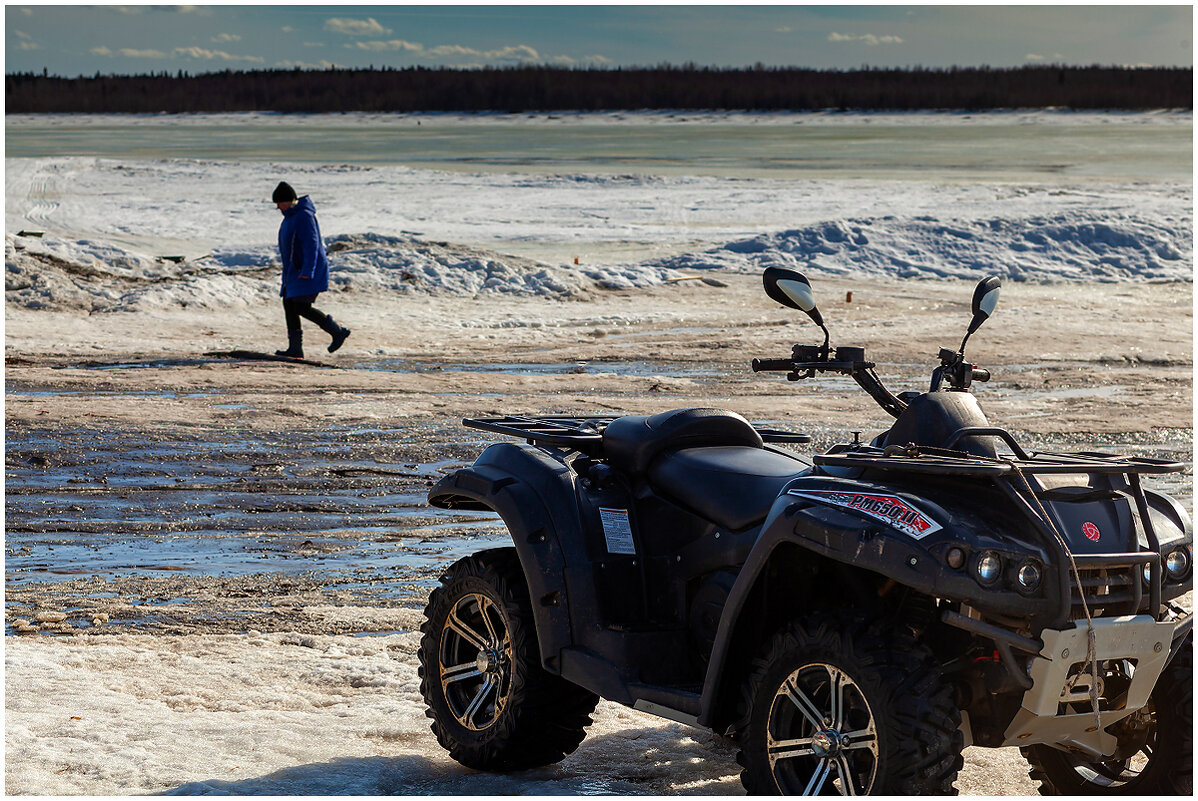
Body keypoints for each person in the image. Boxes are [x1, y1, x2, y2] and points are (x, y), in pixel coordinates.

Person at [271, 181, 350, 358]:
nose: (277, 207)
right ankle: (295, 348)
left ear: (289, 200)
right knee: (290, 305)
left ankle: (337, 332)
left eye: (279, 203)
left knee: (300, 306)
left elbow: (311, 245)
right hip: (295, 271)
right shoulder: (291, 216)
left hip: (307, 271)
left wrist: (308, 270)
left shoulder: (304, 216)